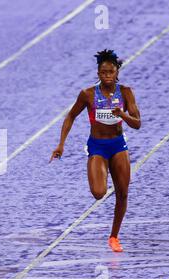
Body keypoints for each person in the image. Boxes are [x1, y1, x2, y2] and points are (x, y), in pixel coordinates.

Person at [50, 49, 141, 252]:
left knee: (123, 193)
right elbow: (70, 116)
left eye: (110, 72)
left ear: (117, 72)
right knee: (99, 193)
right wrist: (61, 144)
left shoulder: (126, 92)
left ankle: (114, 237)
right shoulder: (88, 94)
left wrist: (123, 115)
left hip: (118, 145)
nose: (107, 76)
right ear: (98, 73)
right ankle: (101, 169)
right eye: (103, 73)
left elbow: (137, 124)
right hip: (98, 146)